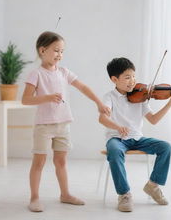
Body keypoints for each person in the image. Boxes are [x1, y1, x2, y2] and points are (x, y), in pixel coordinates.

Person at [22, 31, 110, 212]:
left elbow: (83, 87)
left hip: (63, 124)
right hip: (44, 126)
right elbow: (25, 100)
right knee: (39, 162)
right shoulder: (36, 74)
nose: (60, 55)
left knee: (61, 161)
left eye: (62, 51)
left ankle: (65, 194)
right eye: (56, 50)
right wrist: (46, 97)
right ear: (42, 50)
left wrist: (99, 103)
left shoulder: (64, 72)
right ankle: (34, 197)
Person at [99, 57, 171, 212]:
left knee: (166, 147)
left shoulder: (141, 97)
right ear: (114, 79)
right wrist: (117, 127)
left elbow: (154, 120)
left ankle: (152, 186)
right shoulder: (109, 97)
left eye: (133, 76)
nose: (132, 81)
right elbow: (102, 118)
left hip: (138, 138)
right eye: (127, 77)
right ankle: (124, 194)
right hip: (117, 138)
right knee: (115, 150)